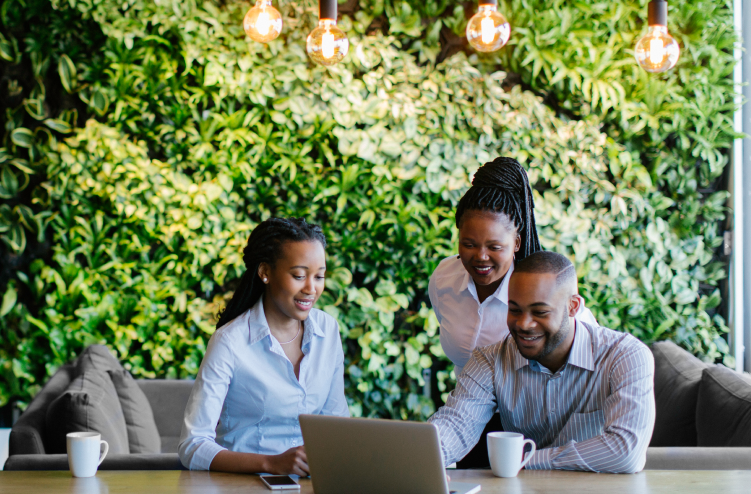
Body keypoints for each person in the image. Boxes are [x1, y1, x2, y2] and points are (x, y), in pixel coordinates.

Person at [428, 157, 598, 467]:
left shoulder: (541, 292)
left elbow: (589, 350)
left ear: (517, 242)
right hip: (470, 418)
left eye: (494, 246)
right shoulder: (444, 280)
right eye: (469, 243)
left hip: (534, 425)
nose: (481, 257)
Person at [428, 251, 655, 474]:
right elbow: (457, 425)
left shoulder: (625, 356)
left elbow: (626, 451)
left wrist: (528, 459)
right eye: (514, 309)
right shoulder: (489, 360)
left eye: (540, 312)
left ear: (573, 307)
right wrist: (421, 454)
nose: (524, 324)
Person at [178, 218, 349, 474]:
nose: (311, 289)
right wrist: (272, 463)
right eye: (299, 276)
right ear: (265, 272)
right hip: (244, 485)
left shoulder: (328, 330)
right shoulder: (230, 342)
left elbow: (336, 425)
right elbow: (193, 446)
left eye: (320, 276)